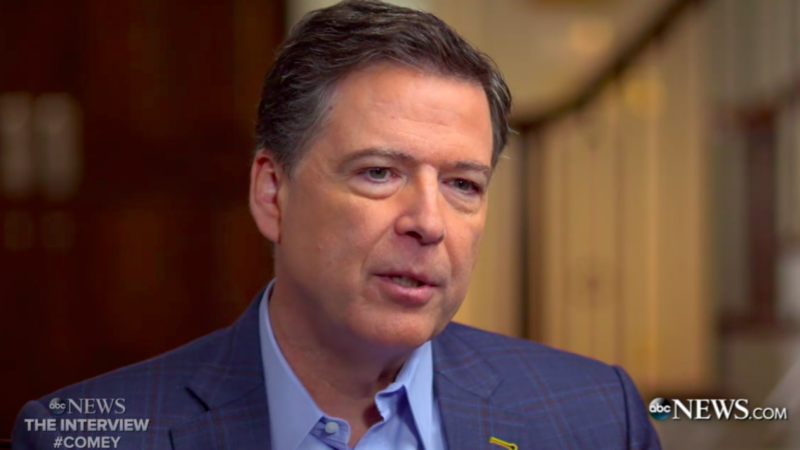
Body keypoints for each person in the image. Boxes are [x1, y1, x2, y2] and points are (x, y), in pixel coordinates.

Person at [13, 1, 661, 449]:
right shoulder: (85, 434)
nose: (428, 223)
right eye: (379, 173)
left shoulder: (597, 416)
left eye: (463, 184)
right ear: (273, 194)